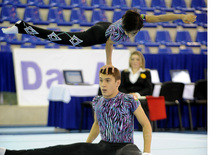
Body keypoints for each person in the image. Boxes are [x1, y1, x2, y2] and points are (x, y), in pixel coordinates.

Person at [0, 67, 152, 155]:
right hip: (103, 147)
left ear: (118, 83)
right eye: (100, 80)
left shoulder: (129, 100)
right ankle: (11, 153)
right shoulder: (97, 101)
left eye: (107, 80)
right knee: (58, 150)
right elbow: (97, 125)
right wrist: (85, 146)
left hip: (126, 147)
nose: (103, 84)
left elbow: (146, 125)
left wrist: (146, 152)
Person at [1, 9, 196, 71]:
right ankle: (22, 27)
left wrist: (181, 17)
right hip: (95, 35)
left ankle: (22, 27)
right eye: (133, 32)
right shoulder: (120, 32)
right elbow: (109, 44)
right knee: (59, 38)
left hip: (104, 25)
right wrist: (109, 63)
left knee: (60, 37)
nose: (135, 33)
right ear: (129, 29)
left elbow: (161, 18)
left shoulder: (139, 18)